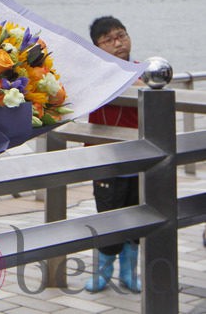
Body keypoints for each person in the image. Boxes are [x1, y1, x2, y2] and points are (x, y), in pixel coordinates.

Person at [85, 16, 142, 293]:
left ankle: (129, 271)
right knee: (107, 216)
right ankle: (103, 271)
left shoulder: (142, 72)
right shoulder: (95, 74)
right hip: (106, 159)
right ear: (97, 47)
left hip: (139, 159)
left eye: (122, 35)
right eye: (109, 40)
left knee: (137, 217)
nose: (118, 43)